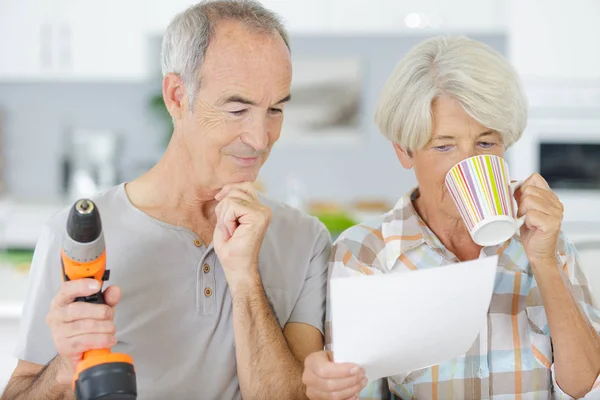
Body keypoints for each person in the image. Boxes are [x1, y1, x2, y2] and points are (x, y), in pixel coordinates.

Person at [2, 1, 331, 399]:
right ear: (177, 96)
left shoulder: (307, 240)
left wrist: (246, 279)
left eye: (275, 109)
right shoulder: (76, 236)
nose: (261, 140)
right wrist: (64, 368)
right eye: (238, 108)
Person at [302, 36, 600, 400]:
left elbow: (587, 389)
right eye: (444, 146)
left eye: (486, 144)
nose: (469, 164)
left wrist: (545, 262)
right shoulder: (363, 254)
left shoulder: (547, 242)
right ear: (404, 151)